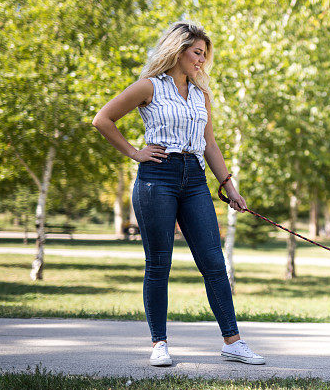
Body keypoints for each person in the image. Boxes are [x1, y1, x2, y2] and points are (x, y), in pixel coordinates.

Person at [92, 21, 264, 366]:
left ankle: (233, 341)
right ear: (177, 50)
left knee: (214, 263)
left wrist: (229, 185)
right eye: (197, 53)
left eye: (205, 55)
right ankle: (159, 344)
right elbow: (103, 119)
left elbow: (209, 143)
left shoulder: (201, 95)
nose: (202, 61)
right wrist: (134, 152)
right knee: (159, 264)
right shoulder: (149, 87)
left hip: (195, 180)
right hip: (158, 177)